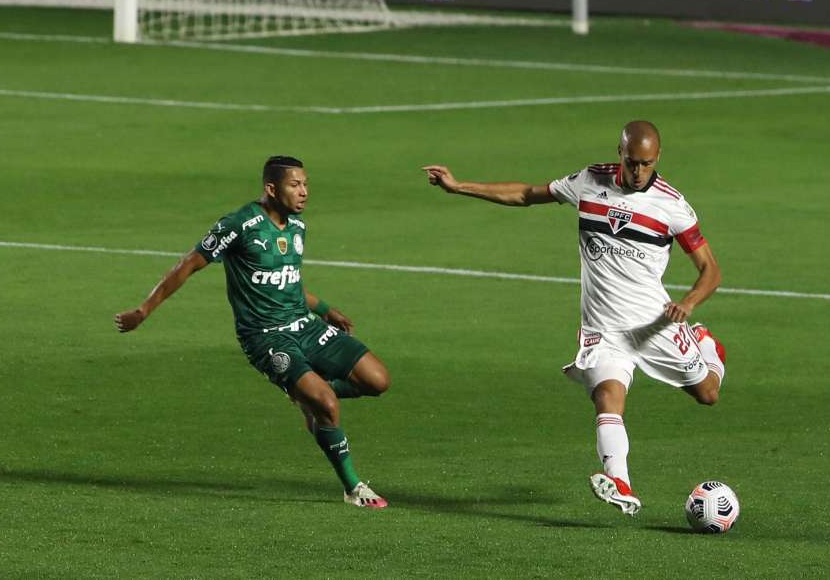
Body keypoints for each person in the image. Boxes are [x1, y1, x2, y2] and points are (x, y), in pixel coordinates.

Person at [423, 121, 727, 516]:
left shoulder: (672, 206)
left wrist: (687, 305)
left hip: (653, 325)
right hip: (602, 326)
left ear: (658, 159)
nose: (638, 173)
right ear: (619, 152)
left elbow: (711, 270)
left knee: (708, 394)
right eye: (632, 162)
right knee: (607, 397)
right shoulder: (589, 181)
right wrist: (459, 185)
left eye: (647, 165)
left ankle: (704, 342)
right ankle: (621, 482)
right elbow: (526, 194)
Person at [114, 155, 390, 509]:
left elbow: (286, 281)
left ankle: (304, 394)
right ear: (271, 189)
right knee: (327, 405)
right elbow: (187, 265)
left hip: (305, 326)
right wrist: (143, 310)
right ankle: (353, 487)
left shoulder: (297, 227)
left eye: (306, 184)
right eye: (295, 185)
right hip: (266, 337)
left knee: (377, 381)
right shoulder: (239, 225)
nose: (304, 192)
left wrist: (324, 310)